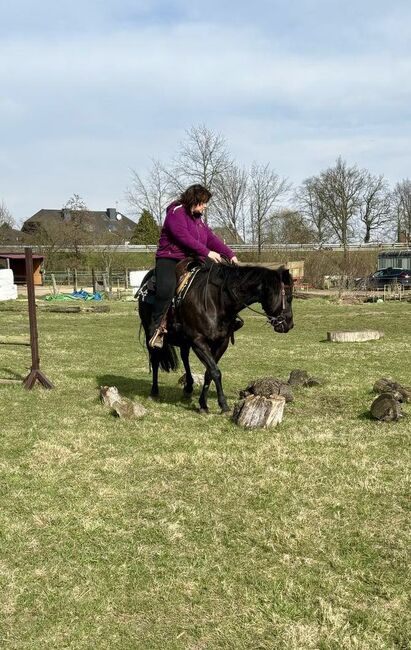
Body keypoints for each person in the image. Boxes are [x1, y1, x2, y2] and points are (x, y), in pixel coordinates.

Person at [149, 184, 239, 348]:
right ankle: (156, 329)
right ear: (194, 200)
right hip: (170, 258)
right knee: (166, 288)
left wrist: (230, 254)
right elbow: (183, 237)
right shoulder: (176, 213)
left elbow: (211, 239)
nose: (205, 206)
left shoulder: (198, 220)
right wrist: (207, 252)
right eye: (203, 202)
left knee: (218, 278)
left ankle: (228, 318)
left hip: (193, 257)